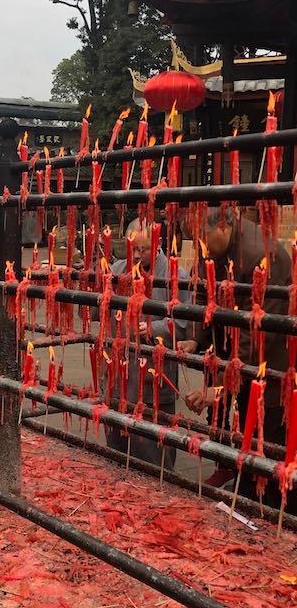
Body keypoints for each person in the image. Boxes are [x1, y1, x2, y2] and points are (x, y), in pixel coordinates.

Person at [180, 207, 293, 510]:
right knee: (245, 425)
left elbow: (255, 336)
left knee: (269, 434)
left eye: (202, 238)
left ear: (222, 226)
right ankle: (244, 482)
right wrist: (196, 336)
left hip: (270, 364)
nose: (199, 247)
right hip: (232, 354)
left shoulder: (262, 255)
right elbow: (203, 297)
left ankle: (271, 505)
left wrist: (217, 388)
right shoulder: (212, 250)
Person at [102, 218, 189, 469]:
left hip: (153, 377)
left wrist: (154, 328)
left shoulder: (175, 275)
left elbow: (184, 325)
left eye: (144, 249)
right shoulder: (117, 270)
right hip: (118, 375)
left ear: (158, 243)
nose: (138, 256)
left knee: (152, 458)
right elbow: (98, 313)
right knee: (116, 456)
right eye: (134, 249)